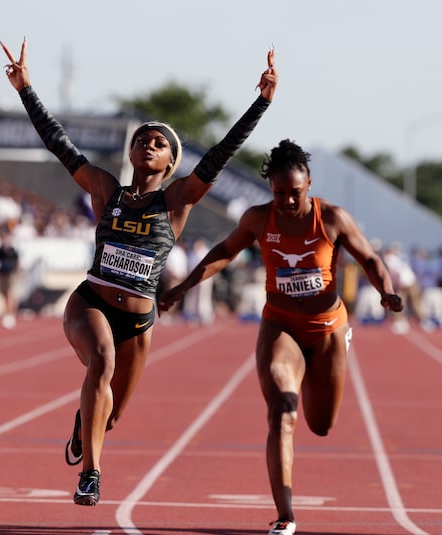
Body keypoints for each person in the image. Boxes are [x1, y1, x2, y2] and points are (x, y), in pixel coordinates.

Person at [0, 37, 278, 506]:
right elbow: (60, 146)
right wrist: (26, 90)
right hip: (90, 302)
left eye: (159, 144)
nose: (150, 145)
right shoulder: (104, 188)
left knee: (110, 417)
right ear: (131, 154)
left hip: (139, 321)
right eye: (143, 141)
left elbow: (219, 155)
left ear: (171, 162)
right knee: (101, 364)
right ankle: (91, 475)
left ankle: (85, 427)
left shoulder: (175, 202)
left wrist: (261, 103)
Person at [158, 140, 402, 535]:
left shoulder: (333, 218)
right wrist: (181, 288)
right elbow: (223, 251)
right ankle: (285, 514)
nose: (286, 201)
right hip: (281, 325)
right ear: (269, 189)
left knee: (320, 424)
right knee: (282, 413)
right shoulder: (258, 219)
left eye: (294, 193)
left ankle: (321, 368)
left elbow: (369, 258)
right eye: (279, 193)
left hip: (328, 329)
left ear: (309, 185)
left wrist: (385, 289)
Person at [0, 230, 19, 329]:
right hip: (2, 274)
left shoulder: (12, 250)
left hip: (10, 274)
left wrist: (18, 272)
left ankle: (10, 312)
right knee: (4, 293)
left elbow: (17, 262)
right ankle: (7, 310)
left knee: (9, 293)